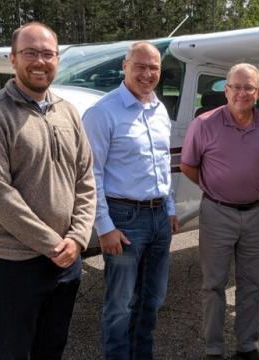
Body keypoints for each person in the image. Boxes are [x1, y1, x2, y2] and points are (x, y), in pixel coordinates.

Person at [0, 22, 96, 359]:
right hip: (15, 263)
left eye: (48, 54)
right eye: (30, 53)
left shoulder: (68, 111)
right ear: (12, 58)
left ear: (57, 60)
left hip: (67, 258)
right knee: (12, 351)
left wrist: (78, 237)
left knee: (52, 347)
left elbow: (85, 177)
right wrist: (54, 244)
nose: (40, 61)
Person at [82, 41, 179, 360]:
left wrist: (170, 208)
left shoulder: (159, 109)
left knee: (153, 299)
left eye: (154, 67)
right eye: (140, 66)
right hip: (124, 218)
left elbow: (163, 163)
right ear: (124, 67)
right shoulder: (102, 113)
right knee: (120, 305)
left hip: (159, 217)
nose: (147, 73)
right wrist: (104, 227)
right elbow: (91, 174)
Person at [180, 63, 259, 360]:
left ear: (258, 92)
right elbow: (188, 165)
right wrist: (216, 188)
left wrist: (246, 186)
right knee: (213, 284)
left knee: (252, 283)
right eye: (235, 87)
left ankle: (248, 345)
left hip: (256, 213)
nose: (241, 93)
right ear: (226, 90)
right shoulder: (204, 124)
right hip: (216, 213)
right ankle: (213, 349)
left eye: (248, 87)